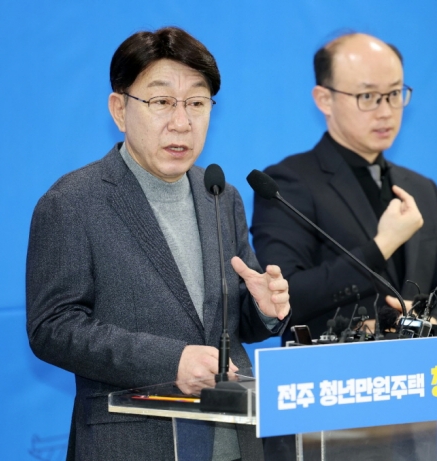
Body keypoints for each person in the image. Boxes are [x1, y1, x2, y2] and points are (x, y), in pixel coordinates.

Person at [26, 27, 290, 461]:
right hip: (135, 443)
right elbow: (52, 328)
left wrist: (262, 308)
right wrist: (172, 361)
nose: (181, 122)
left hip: (236, 443)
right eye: (162, 101)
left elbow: (232, 324)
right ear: (120, 109)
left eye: (197, 103)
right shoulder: (72, 202)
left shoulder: (220, 195)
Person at [251, 33, 437, 343]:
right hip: (332, 368)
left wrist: (426, 325)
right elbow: (286, 298)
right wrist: (382, 245)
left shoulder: (422, 189)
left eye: (395, 93)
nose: (386, 111)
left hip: (420, 369)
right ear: (324, 99)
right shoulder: (287, 184)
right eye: (368, 96)